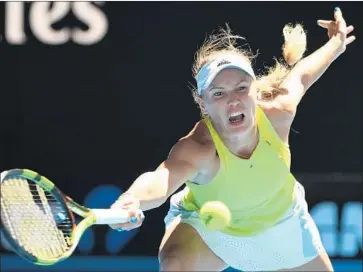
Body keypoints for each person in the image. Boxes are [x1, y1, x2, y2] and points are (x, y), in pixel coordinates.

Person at [111, 7, 354, 271]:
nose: (233, 100)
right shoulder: (199, 148)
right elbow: (162, 179)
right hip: (212, 233)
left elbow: (302, 75)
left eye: (241, 88)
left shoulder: (277, 112)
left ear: (254, 91)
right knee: (175, 265)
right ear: (202, 104)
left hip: (283, 223)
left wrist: (337, 44)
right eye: (219, 93)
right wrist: (132, 199)